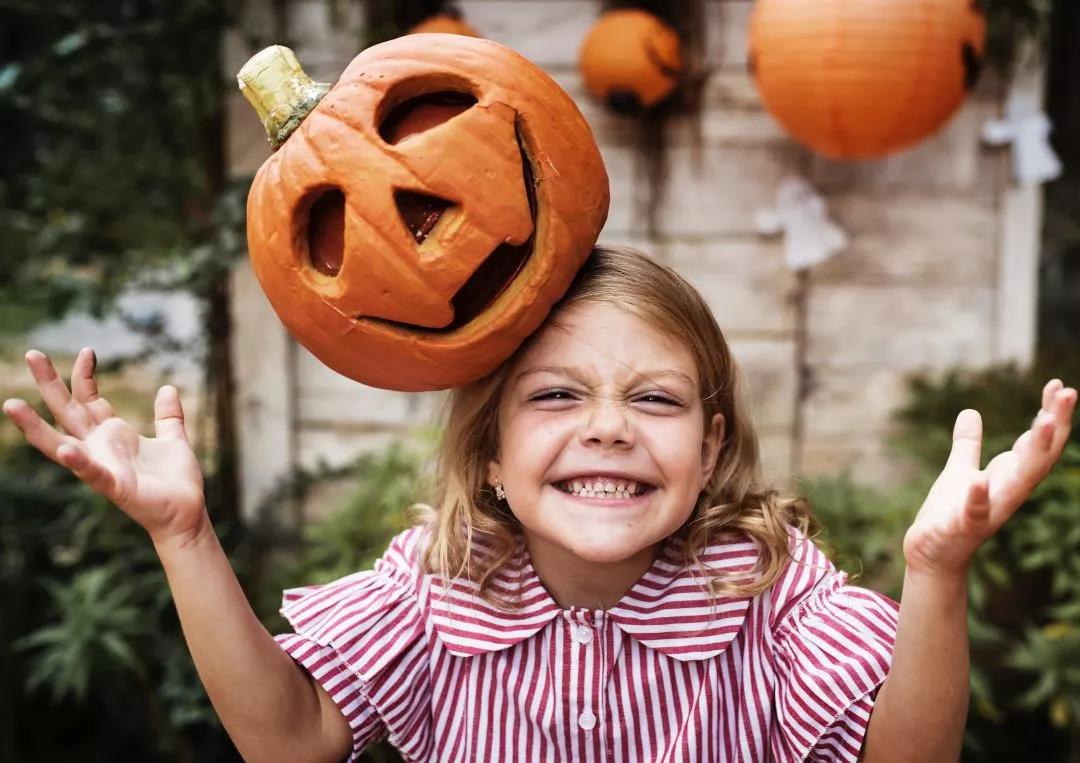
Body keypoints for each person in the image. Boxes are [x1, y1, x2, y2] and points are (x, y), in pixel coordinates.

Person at [3, 245, 1075, 762]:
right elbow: (290, 741)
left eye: (652, 399)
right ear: (491, 457)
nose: (608, 425)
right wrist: (182, 531)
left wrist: (936, 574)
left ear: (707, 450)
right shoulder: (434, 584)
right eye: (557, 395)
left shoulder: (767, 588)